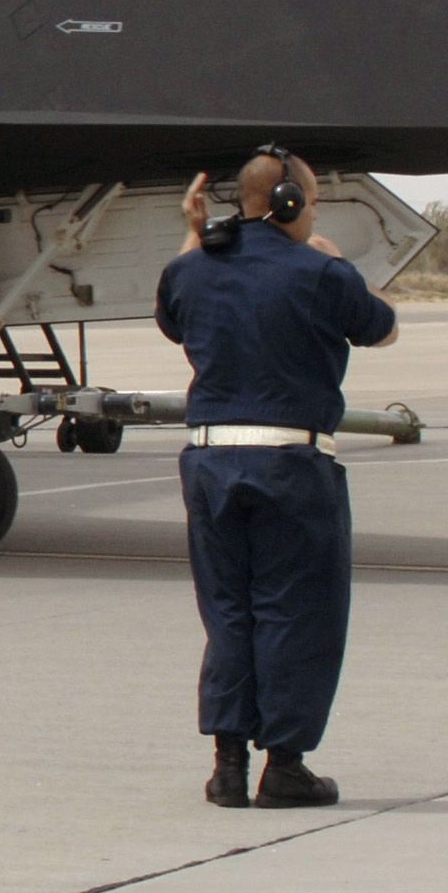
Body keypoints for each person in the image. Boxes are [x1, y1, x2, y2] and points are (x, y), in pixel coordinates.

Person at [156, 150, 397, 809]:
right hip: (290, 465)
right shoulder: (319, 271)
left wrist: (194, 230)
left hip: (210, 464)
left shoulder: (192, 269)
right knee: (295, 612)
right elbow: (383, 328)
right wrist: (335, 260)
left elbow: (175, 309)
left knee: (228, 613)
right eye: (312, 201)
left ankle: (227, 767)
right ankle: (284, 765)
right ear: (291, 202)